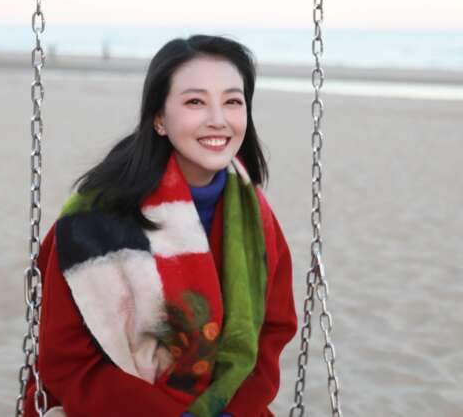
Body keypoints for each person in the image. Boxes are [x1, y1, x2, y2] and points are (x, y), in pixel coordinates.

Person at [23, 34, 298, 417]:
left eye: (232, 102)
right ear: (159, 119)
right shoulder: (95, 218)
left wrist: (232, 411)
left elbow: (273, 330)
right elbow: (67, 361)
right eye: (195, 102)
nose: (218, 119)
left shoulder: (255, 217)